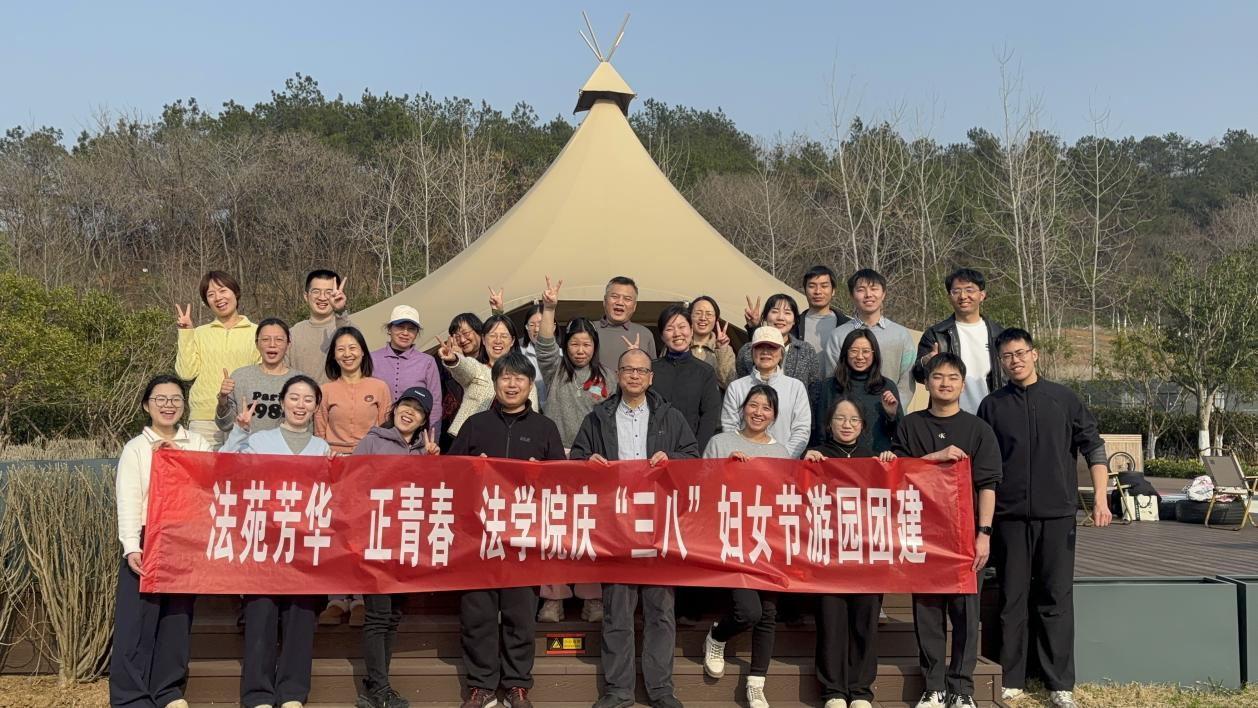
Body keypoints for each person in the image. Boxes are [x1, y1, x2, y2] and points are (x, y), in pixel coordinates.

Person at [978, 329, 1112, 708]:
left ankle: (1059, 683)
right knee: (1012, 597)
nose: (1015, 361)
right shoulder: (992, 405)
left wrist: (1100, 499)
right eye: (1007, 356)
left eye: (1021, 353)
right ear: (1000, 362)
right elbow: (983, 463)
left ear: (1034, 354)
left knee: (1056, 596)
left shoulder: (1063, 398)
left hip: (1057, 516)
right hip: (1009, 517)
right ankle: (1012, 679)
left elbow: (1094, 447)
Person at [570, 348, 698, 708]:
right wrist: (588, 461)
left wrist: (672, 459)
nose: (635, 376)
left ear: (650, 377)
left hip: (658, 525)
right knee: (617, 612)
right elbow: (576, 458)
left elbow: (693, 458)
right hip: (616, 526)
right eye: (628, 369)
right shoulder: (598, 417)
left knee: (660, 611)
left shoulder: (670, 416)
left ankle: (661, 690)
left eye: (642, 370)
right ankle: (618, 690)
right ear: (618, 375)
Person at [450, 351, 565, 708]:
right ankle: (482, 685)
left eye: (519, 379)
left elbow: (562, 483)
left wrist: (539, 476)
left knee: (520, 615)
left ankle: (516, 684)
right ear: (495, 382)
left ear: (530, 385)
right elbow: (449, 476)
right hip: (478, 539)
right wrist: (474, 469)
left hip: (524, 539)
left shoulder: (545, 428)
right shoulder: (475, 425)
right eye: (505, 377)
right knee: (478, 615)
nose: (511, 384)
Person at [891, 353, 1002, 708]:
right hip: (922, 534)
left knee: (966, 613)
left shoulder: (978, 430)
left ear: (962, 384)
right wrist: (935, 457)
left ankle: (962, 689)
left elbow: (987, 486)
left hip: (965, 537)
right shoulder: (910, 426)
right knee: (927, 612)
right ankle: (934, 686)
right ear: (926, 382)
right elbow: (896, 474)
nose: (945, 383)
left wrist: (984, 533)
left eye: (953, 377)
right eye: (938, 376)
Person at [225, 374, 331, 708]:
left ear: (316, 407)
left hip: (304, 547)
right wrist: (239, 430)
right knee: (261, 616)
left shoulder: (322, 448)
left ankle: (292, 693)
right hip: (264, 543)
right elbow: (224, 467)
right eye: (294, 398)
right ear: (282, 402)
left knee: (301, 619)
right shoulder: (259, 440)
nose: (300, 405)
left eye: (308, 400)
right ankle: (258, 693)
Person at [111, 375, 213, 708]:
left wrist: (177, 458)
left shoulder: (198, 443)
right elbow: (128, 500)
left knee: (177, 616)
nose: (168, 405)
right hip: (147, 537)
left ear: (184, 405)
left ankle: (168, 690)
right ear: (147, 405)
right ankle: (131, 696)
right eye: (161, 399)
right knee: (137, 620)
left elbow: (209, 483)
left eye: (175, 399)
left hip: (185, 538)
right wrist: (132, 546)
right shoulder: (136, 448)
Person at [701, 384, 792, 708]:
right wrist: (725, 469)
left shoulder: (782, 453)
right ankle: (717, 635)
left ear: (774, 416)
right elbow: (699, 488)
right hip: (731, 541)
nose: (758, 412)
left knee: (768, 612)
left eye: (766, 408)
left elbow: (786, 499)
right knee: (749, 611)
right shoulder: (720, 443)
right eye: (753, 405)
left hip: (768, 543)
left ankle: (756, 682)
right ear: (742, 409)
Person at [352, 387, 441, 708]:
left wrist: (433, 464)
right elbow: (350, 484)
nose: (409, 412)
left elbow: (433, 498)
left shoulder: (425, 451)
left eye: (418, 410)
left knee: (393, 616)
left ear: (424, 420)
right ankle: (379, 688)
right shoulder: (372, 441)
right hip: (375, 541)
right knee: (378, 616)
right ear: (395, 408)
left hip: (407, 544)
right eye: (406, 405)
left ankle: (375, 684)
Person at [804, 398, 896, 708]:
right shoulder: (816, 456)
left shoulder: (874, 458)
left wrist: (889, 465)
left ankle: (860, 691)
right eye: (840, 418)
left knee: (864, 622)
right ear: (828, 424)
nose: (846, 424)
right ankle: (832, 691)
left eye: (854, 420)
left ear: (863, 426)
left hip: (867, 556)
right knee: (831, 623)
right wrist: (805, 464)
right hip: (828, 556)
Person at [532, 277, 609, 623]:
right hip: (556, 461)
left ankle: (592, 598)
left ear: (595, 346)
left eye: (586, 344)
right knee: (555, 532)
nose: (580, 350)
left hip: (592, 463)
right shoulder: (555, 372)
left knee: (589, 531)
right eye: (574, 343)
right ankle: (553, 599)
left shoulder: (608, 378)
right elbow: (545, 344)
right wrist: (549, 308)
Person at [175, 270, 259, 448]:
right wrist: (186, 333)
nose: (218, 298)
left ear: (235, 292)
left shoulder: (257, 332)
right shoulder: (199, 333)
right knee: (202, 466)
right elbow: (186, 373)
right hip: (203, 420)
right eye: (211, 294)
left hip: (242, 417)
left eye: (222, 290)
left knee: (240, 466)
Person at [913, 268, 1005, 414]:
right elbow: (918, 376)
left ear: (982, 295)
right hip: (949, 416)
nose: (963, 296)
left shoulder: (999, 334)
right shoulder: (936, 334)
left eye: (969, 290)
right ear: (950, 297)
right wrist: (926, 362)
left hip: (993, 415)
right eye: (956, 291)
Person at [438, 314, 539, 440]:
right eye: (492, 335)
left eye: (504, 336)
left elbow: (531, 418)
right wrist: (453, 359)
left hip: (509, 442)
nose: (498, 340)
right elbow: (464, 366)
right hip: (471, 440)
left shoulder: (524, 379)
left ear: (512, 341)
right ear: (484, 340)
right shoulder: (477, 369)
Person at [822, 268, 917, 400]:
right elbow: (833, 380)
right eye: (861, 290)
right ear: (852, 295)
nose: (868, 295)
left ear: (883, 294)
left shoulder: (901, 335)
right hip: (849, 409)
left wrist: (894, 408)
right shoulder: (838, 336)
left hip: (890, 409)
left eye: (874, 289)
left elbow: (907, 382)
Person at [724, 327, 811, 458]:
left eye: (772, 347)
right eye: (760, 347)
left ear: (781, 353)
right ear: (752, 352)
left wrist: (783, 457)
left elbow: (801, 430)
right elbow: (730, 427)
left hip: (785, 463)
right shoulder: (736, 387)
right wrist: (744, 458)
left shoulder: (796, 387)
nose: (765, 352)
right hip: (744, 463)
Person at [217, 318, 303, 448]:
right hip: (245, 452)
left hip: (286, 454)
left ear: (288, 344)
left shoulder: (300, 382)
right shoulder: (240, 377)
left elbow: (307, 427)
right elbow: (225, 425)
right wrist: (223, 399)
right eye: (265, 339)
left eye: (279, 339)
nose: (272, 344)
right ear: (257, 344)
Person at [813, 329, 902, 452]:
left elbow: (899, 434)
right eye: (854, 351)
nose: (860, 357)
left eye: (866, 351)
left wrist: (891, 415)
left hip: (876, 459)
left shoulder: (887, 387)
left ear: (874, 354)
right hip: (837, 458)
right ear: (845, 353)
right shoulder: (829, 386)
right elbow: (820, 429)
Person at [651, 303, 723, 452]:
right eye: (669, 329)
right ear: (662, 336)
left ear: (691, 330)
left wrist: (696, 452)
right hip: (653, 450)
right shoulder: (651, 369)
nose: (677, 333)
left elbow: (709, 417)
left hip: (690, 451)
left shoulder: (705, 372)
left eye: (682, 327)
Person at [370, 305, 442, 440]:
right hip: (377, 435)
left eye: (411, 329)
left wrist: (433, 439)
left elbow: (435, 403)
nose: (405, 333)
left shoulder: (427, 362)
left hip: (413, 437)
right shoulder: (372, 359)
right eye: (400, 327)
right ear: (389, 329)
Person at [736, 294, 822, 397]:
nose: (781, 317)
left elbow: (815, 391)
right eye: (775, 311)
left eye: (787, 312)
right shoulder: (747, 350)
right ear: (765, 316)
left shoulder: (806, 350)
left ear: (794, 320)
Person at [289, 269, 353, 385]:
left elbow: (350, 341)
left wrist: (340, 310)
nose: (322, 297)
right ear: (306, 296)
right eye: (316, 291)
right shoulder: (293, 333)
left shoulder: (345, 327)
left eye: (329, 292)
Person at [437, 313, 484, 451]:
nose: (462, 339)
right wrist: (455, 362)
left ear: (480, 332)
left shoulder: (490, 361)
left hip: (482, 432)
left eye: (466, 333)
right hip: (453, 435)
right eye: (457, 336)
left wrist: (462, 362)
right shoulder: (445, 365)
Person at [595, 276, 657, 373]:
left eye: (627, 299)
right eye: (614, 297)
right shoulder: (589, 329)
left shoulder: (645, 334)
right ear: (604, 301)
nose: (620, 302)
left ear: (634, 306)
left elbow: (652, 374)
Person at [688, 295, 736, 389]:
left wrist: (721, 350)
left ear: (716, 319)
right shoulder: (679, 345)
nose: (703, 318)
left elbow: (729, 384)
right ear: (689, 317)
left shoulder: (725, 349)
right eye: (698, 313)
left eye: (709, 314)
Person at [798, 265, 845, 351]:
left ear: (833, 291)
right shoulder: (793, 325)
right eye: (812, 286)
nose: (818, 291)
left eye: (824, 286)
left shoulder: (846, 325)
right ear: (805, 290)